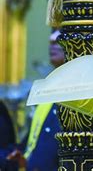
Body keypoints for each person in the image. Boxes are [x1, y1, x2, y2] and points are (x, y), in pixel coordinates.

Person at [7, 29, 64, 171]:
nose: (52, 38)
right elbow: (30, 147)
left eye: (62, 31)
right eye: (52, 31)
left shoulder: (81, 92)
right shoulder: (48, 90)